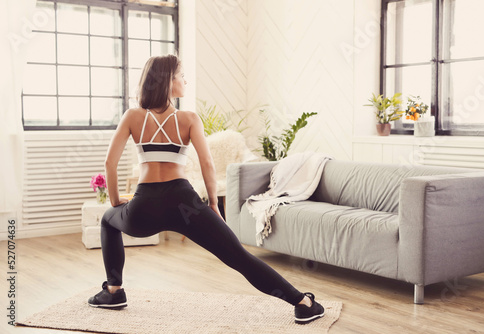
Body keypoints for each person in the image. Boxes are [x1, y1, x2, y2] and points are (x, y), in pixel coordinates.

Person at [87, 54, 324, 324]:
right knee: (239, 258)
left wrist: (117, 203)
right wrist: (212, 204)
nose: (185, 80)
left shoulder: (132, 116)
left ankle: (114, 291)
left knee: (109, 221)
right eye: (181, 76)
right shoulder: (189, 118)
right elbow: (207, 163)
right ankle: (304, 303)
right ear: (168, 81)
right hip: (185, 204)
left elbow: (110, 162)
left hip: (144, 205)